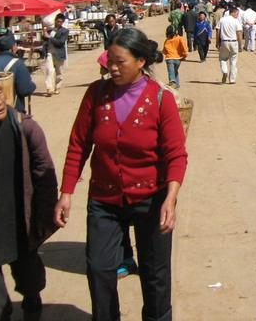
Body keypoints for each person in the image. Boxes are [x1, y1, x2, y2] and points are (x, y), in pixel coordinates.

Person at [54, 28, 187, 321]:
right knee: (99, 268)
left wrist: (171, 197)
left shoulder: (161, 99)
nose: (112, 68)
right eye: (109, 61)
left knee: (155, 274)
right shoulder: (96, 94)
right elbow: (78, 144)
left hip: (151, 199)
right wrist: (66, 193)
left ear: (140, 61)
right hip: (104, 198)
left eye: (120, 62)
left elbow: (176, 154)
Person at [0, 67, 58, 321]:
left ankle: (32, 308)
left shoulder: (24, 127)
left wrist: (42, 220)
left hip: (20, 224)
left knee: (31, 284)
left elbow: (45, 175)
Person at [0, 33, 36, 113]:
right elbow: (25, 90)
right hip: (13, 112)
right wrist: (32, 86)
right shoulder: (18, 64)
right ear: (12, 48)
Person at [42, 13, 69, 96]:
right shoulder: (51, 30)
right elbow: (45, 38)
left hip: (59, 53)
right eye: (58, 21)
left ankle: (57, 87)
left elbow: (61, 42)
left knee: (59, 72)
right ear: (55, 21)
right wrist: (44, 32)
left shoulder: (65, 31)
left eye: (61, 22)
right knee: (49, 70)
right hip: (49, 52)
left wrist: (49, 37)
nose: (59, 23)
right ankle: (49, 88)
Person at [215, 7, 243, 84]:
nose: (237, 15)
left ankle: (225, 71)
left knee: (222, 59)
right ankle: (232, 79)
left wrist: (217, 42)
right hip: (234, 42)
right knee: (233, 61)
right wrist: (240, 45)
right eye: (237, 14)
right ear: (232, 12)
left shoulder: (222, 20)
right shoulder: (236, 21)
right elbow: (239, 33)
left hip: (224, 42)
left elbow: (218, 31)